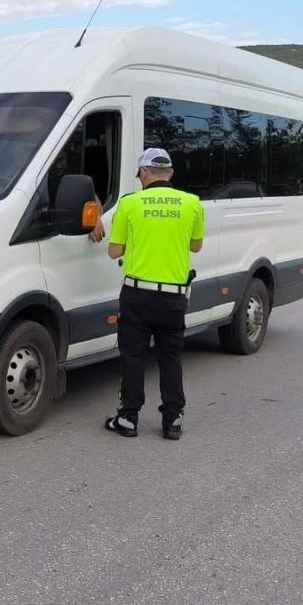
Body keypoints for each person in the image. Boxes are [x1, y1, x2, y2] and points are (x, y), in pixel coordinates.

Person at [104, 147, 204, 440]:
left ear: (144, 173)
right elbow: (196, 246)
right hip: (173, 297)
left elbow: (114, 252)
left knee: (133, 357)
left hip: (137, 296)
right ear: (170, 173)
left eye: (140, 174)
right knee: (170, 358)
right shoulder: (192, 203)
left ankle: (128, 419)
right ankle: (173, 421)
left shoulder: (129, 204)